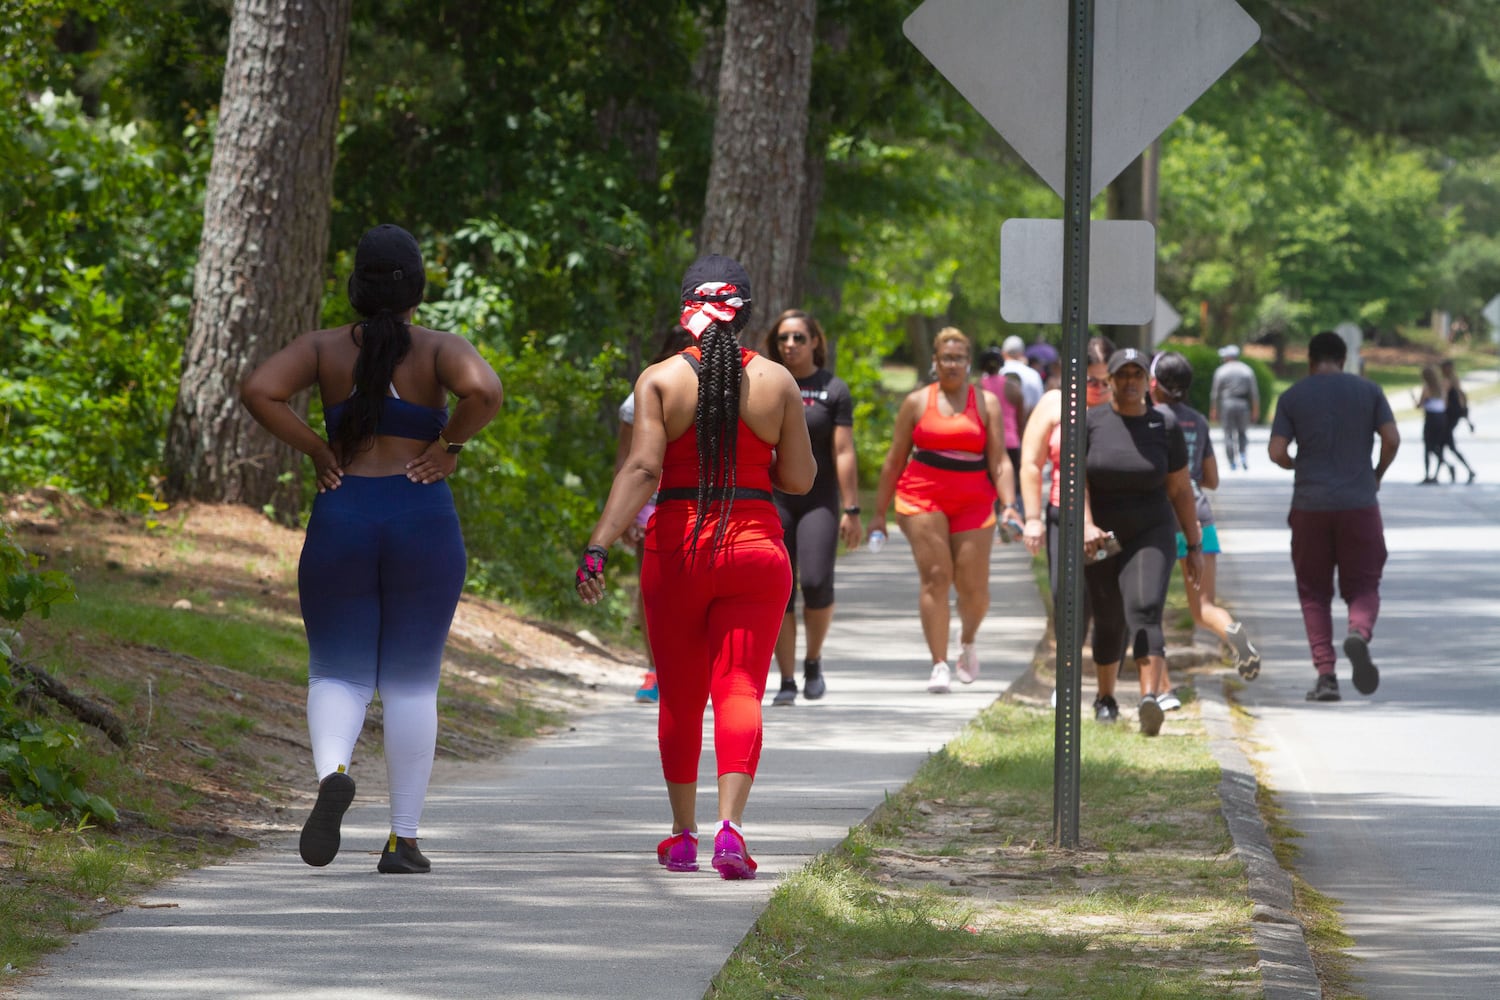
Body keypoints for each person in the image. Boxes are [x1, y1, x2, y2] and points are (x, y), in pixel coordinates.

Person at [240, 224, 504, 873]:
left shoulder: (323, 347)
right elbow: (486, 391)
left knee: (338, 672)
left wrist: (317, 449)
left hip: (344, 512)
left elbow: (258, 390)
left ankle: (334, 772)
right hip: (421, 517)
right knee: (412, 683)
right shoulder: (440, 348)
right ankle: (402, 841)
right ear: (416, 288)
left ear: (356, 286)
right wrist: (448, 448)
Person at [575, 254, 814, 880]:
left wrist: (598, 543)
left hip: (677, 546)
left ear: (686, 312)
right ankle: (731, 830)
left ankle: (682, 836)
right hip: (757, 547)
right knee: (740, 688)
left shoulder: (658, 380)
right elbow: (800, 477)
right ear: (747, 314)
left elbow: (641, 470)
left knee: (679, 697)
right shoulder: (778, 382)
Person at [868, 327, 1019, 694]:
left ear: (969, 363)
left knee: (975, 590)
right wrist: (877, 515)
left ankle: (967, 642)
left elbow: (998, 461)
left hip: (974, 499)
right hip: (921, 496)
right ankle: (938, 664)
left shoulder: (987, 403)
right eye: (945, 358)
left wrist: (1010, 506)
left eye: (959, 358)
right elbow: (894, 460)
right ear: (935, 362)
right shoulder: (917, 402)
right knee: (937, 575)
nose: (952, 364)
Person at [1268, 330, 1399, 703]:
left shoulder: (1293, 396)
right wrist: (1376, 474)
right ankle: (1358, 632)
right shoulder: (1369, 391)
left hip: (1310, 506)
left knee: (1313, 592)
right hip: (1359, 504)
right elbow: (1392, 439)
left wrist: (1297, 464)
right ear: (1344, 360)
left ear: (1310, 362)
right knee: (1364, 585)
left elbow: (1276, 451)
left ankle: (1326, 675)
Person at [1080, 347, 1204, 736]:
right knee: (1109, 615)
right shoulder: (1090, 422)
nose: (1130, 381)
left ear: (1146, 382)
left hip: (1151, 530)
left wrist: (1194, 544)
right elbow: (1076, 480)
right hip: (1101, 534)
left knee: (1146, 608)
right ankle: (1105, 698)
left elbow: (1181, 489)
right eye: (1123, 375)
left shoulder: (1163, 426)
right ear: (1110, 380)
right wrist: (1084, 524)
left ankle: (1149, 699)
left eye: (1137, 374)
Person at [762, 310, 862, 706]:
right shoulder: (764, 383)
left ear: (815, 341)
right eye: (784, 338)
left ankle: (813, 661)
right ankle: (786, 679)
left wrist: (852, 508)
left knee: (816, 582)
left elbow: (843, 450)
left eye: (799, 338)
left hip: (818, 500)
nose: (790, 345)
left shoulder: (832, 389)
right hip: (775, 500)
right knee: (779, 591)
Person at [1149, 352, 1261, 685]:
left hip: (1159, 520)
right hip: (1199, 516)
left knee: (1148, 610)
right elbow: (1211, 479)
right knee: (1203, 609)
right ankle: (1232, 633)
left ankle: (1158, 687)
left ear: (1153, 383)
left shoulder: (1150, 418)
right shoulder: (1196, 420)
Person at [615, 328, 696, 703]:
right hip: (651, 504)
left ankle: (692, 667)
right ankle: (655, 670)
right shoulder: (640, 397)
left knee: (695, 591)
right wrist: (626, 515)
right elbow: (627, 462)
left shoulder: (722, 391)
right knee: (653, 591)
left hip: (699, 505)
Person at [1019, 335, 1114, 635]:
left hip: (1112, 514)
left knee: (1111, 606)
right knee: (1069, 600)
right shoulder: (1054, 404)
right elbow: (1031, 464)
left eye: (1106, 380)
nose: (1099, 389)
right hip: (1066, 514)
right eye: (1091, 381)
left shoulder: (1126, 404)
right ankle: (1066, 678)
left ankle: (1105, 679)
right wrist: (1033, 520)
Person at [978, 345, 1027, 511]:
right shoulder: (1013, 388)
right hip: (1010, 442)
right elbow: (1020, 420)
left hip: (985, 443)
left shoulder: (977, 388)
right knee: (1010, 485)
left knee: (986, 485)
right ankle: (1009, 516)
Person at [1210, 345, 1260, 471]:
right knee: (1242, 432)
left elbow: (1215, 393)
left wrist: (1214, 409)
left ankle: (1232, 461)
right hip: (1243, 404)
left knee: (1228, 434)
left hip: (1227, 403)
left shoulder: (1221, 370)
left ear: (1228, 357)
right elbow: (1254, 393)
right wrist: (1255, 410)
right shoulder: (1247, 370)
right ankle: (1242, 455)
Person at [1413, 364, 1453, 484]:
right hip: (1441, 419)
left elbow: (1419, 405)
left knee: (1427, 447)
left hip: (1431, 419)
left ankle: (1428, 474)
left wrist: (1414, 399)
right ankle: (1437, 473)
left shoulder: (1427, 388)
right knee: (1437, 447)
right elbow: (1445, 405)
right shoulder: (1442, 387)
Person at [1439, 358, 1476, 483]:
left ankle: (1466, 470)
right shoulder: (1454, 382)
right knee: (1444, 445)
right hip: (1453, 417)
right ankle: (1448, 470)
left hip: (1450, 417)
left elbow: (1448, 401)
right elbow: (1463, 400)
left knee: (1446, 445)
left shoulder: (1449, 382)